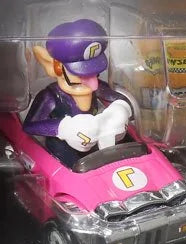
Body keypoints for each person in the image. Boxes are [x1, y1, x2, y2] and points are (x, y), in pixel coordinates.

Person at [23, 19, 131, 167]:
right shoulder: (51, 95)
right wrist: (64, 128)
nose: (93, 83)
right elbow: (30, 125)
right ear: (53, 66)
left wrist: (120, 109)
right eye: (80, 74)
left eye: (95, 73)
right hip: (63, 148)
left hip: (96, 143)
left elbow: (121, 98)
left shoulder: (96, 86)